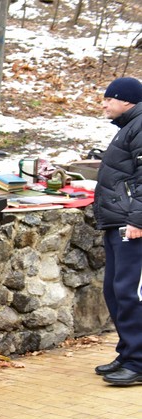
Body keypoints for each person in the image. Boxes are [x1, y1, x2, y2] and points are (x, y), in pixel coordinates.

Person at [92, 76, 142, 386]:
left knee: (129, 293)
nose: (105, 103)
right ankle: (128, 352)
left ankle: (138, 361)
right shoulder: (129, 127)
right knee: (114, 290)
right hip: (118, 222)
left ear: (126, 100)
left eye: (110, 98)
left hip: (131, 225)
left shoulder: (140, 126)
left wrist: (138, 220)